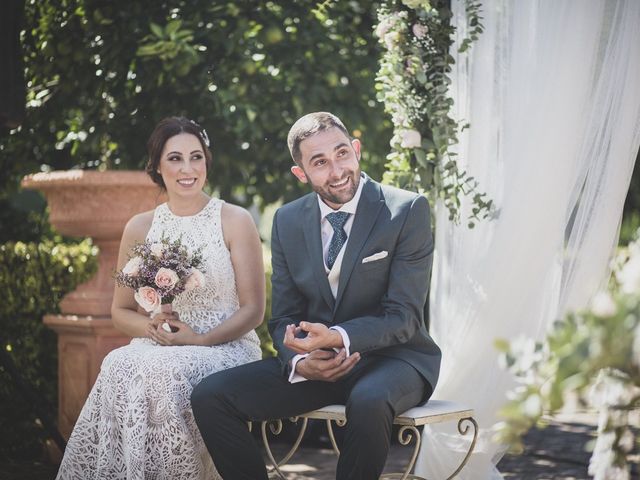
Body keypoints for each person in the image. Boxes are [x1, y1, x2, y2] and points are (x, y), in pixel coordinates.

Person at [191, 111, 442, 480]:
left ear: (357, 150)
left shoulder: (406, 210)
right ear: (301, 173)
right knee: (210, 396)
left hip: (396, 360)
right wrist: (297, 362)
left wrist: (340, 337)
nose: (337, 170)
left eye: (342, 154)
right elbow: (284, 318)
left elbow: (404, 316)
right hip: (319, 365)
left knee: (368, 399)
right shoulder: (287, 220)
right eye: (320, 162)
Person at [56, 117, 265, 480]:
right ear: (156, 166)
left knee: (162, 372)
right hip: (162, 342)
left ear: (206, 162)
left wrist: (198, 339)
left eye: (196, 157)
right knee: (117, 363)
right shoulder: (140, 226)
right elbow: (121, 312)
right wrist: (151, 326)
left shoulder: (234, 220)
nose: (188, 169)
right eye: (175, 159)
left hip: (226, 344)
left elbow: (254, 310)